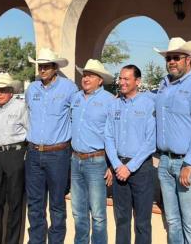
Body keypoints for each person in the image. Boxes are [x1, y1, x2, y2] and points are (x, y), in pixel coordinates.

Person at [152, 37, 191, 244]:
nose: (171, 61)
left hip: (189, 163)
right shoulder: (163, 85)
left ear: (188, 60)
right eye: (168, 58)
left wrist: (189, 163)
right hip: (166, 161)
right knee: (172, 220)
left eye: (175, 58)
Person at [24, 48, 78, 244]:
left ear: (55, 68)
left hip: (58, 154)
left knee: (56, 204)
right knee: (35, 204)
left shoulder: (69, 88)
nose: (43, 69)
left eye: (47, 66)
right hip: (33, 153)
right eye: (40, 66)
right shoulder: (32, 89)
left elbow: (77, 116)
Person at [104, 64, 156, 244]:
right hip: (119, 169)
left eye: (127, 79)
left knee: (142, 222)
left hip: (141, 169)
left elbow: (151, 142)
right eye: (121, 78)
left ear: (138, 81)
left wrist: (130, 167)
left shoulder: (149, 104)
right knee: (122, 221)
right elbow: (108, 136)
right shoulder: (114, 105)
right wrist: (118, 165)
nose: (122, 82)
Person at [69, 59, 115, 244]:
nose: (86, 78)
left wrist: (112, 165)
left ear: (100, 80)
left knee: (97, 215)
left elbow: (114, 136)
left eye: (91, 75)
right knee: (78, 213)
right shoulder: (76, 98)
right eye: (85, 75)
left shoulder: (110, 101)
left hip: (97, 161)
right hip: (75, 159)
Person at [0, 73, 28, 244]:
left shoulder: (20, 107)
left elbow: (30, 130)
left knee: (14, 202)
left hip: (15, 154)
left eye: (3, 90)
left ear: (11, 91)